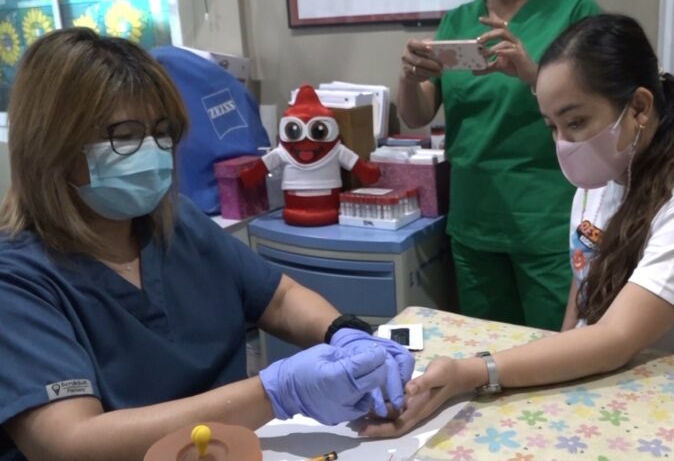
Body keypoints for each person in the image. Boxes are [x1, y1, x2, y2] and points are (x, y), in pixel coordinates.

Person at [0, 28, 414, 461]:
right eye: (124, 136)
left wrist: (345, 333)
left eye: (162, 133)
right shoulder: (18, 281)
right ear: (53, 145)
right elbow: (70, 442)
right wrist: (277, 392)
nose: (152, 152)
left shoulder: (176, 223)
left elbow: (278, 297)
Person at [362, 13, 674, 437]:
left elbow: (616, 338)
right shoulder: (604, 171)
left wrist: (473, 372)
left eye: (576, 122)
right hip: (606, 385)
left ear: (638, 107)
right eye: (552, 126)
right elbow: (584, 283)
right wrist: (563, 356)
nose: (564, 144)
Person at [398, 0, 600, 330]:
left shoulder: (575, 13)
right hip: (474, 222)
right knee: (485, 347)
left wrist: (531, 73)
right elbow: (417, 114)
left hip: (546, 221)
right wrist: (409, 77)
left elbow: (595, 106)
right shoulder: (458, 21)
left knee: (554, 349)